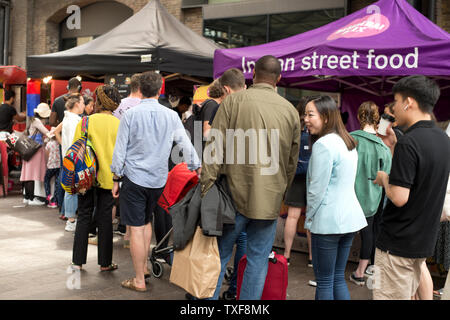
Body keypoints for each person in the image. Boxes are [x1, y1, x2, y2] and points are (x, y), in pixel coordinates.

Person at [200, 55, 301, 300]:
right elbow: (291, 162)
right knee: (257, 261)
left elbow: (214, 146)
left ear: (253, 75)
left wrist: (206, 187)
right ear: (278, 79)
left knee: (219, 258)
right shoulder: (290, 112)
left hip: (231, 195)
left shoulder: (233, 102)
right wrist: (281, 194)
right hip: (269, 199)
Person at [111, 71, 200, 292]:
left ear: (139, 89)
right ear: (160, 90)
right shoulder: (170, 115)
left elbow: (119, 150)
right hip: (158, 180)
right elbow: (185, 143)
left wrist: (115, 177)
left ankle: (139, 278)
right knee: (147, 222)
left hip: (134, 178)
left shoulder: (130, 115)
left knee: (136, 227)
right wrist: (196, 166)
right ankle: (145, 268)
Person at [373, 75, 450, 300]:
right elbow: (421, 179)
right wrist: (396, 146)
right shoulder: (442, 140)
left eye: (395, 102)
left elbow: (399, 197)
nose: (394, 109)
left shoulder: (411, 141)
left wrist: (384, 178)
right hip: (422, 241)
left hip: (397, 244)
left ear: (409, 102)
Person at [304, 95, 367, 300]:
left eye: (310, 114)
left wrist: (309, 219)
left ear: (326, 116)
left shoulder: (324, 144)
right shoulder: (347, 141)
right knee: (337, 278)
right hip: (349, 220)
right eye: (304, 114)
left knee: (324, 281)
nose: (305, 119)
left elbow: (316, 190)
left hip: (328, 222)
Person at [71, 85, 121, 272]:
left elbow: (75, 151)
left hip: (86, 178)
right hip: (109, 179)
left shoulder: (84, 123)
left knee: (83, 215)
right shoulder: (119, 124)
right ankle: (105, 263)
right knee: (105, 218)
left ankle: (77, 261)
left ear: (98, 102)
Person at [349, 101, 392, 286]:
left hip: (347, 196)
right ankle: (360, 272)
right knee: (368, 234)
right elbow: (386, 178)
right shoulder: (383, 148)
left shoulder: (349, 140)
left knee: (343, 235)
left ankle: (333, 272)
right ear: (377, 119)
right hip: (372, 199)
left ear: (358, 117)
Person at [283, 96, 314, 269]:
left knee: (292, 216)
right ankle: (311, 257)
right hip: (312, 177)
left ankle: (286, 255)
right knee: (311, 218)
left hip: (295, 176)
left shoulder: (294, 127)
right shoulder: (315, 130)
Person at [54, 94, 85, 231]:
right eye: (83, 102)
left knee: (70, 189)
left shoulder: (68, 119)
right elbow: (76, 143)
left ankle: (70, 219)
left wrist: (64, 148)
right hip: (74, 160)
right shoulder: (75, 121)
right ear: (77, 104)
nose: (84, 105)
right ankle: (71, 220)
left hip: (68, 158)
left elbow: (57, 133)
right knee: (72, 190)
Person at [20, 103, 53, 206]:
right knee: (31, 174)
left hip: (29, 149)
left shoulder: (33, 120)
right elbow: (47, 132)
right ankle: (31, 198)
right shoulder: (37, 121)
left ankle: (27, 197)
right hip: (34, 151)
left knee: (28, 174)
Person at [44, 128, 61, 209]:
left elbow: (47, 155)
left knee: (46, 180)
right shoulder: (60, 143)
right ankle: (55, 201)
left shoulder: (49, 144)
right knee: (57, 183)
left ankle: (48, 196)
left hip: (51, 166)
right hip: (59, 166)